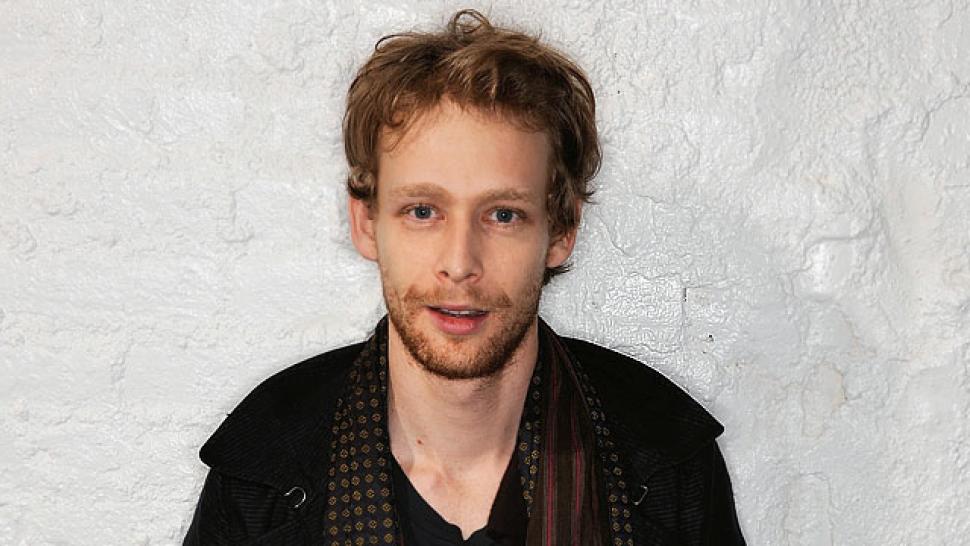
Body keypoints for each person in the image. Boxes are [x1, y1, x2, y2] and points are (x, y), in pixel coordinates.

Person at [184, 9, 745, 546]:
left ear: (561, 230)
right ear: (366, 223)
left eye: (503, 215)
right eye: (423, 211)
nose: (459, 263)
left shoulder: (665, 460)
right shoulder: (264, 469)